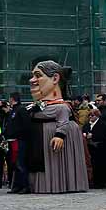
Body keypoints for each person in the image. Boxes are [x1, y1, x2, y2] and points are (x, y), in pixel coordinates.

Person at [24, 61, 89, 194]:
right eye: (33, 76)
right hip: (38, 142)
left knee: (52, 161)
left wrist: (59, 135)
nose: (32, 80)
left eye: (38, 75)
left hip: (52, 140)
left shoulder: (62, 106)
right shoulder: (34, 107)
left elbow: (63, 120)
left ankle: (59, 183)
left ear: (55, 78)